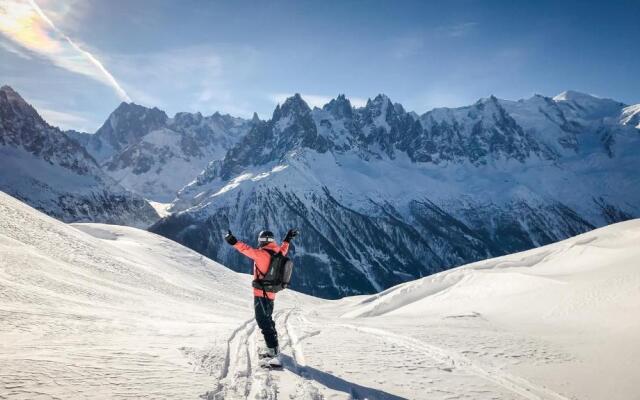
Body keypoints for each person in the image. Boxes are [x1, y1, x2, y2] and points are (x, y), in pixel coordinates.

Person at [224, 228, 298, 367]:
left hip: (261, 294)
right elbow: (284, 248)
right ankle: (272, 348)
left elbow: (245, 249)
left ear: (261, 241)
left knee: (263, 321)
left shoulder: (260, 254)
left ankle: (274, 356)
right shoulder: (278, 252)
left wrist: (232, 241)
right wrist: (288, 238)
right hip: (271, 293)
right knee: (268, 320)